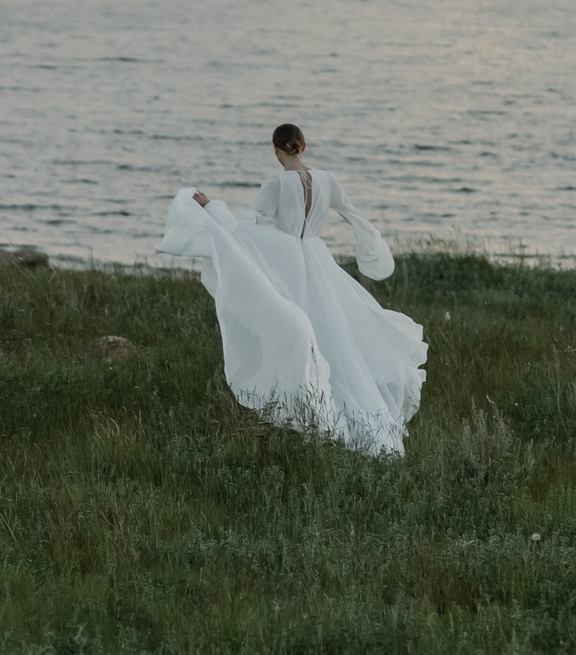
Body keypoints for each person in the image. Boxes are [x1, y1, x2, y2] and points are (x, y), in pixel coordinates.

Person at [157, 123, 427, 457]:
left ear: (276, 150)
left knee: (300, 332)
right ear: (304, 145)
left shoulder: (276, 185)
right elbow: (356, 218)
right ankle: (334, 410)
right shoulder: (329, 181)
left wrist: (212, 209)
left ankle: (312, 408)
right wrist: (372, 253)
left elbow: (250, 221)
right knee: (336, 337)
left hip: (289, 264)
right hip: (319, 261)